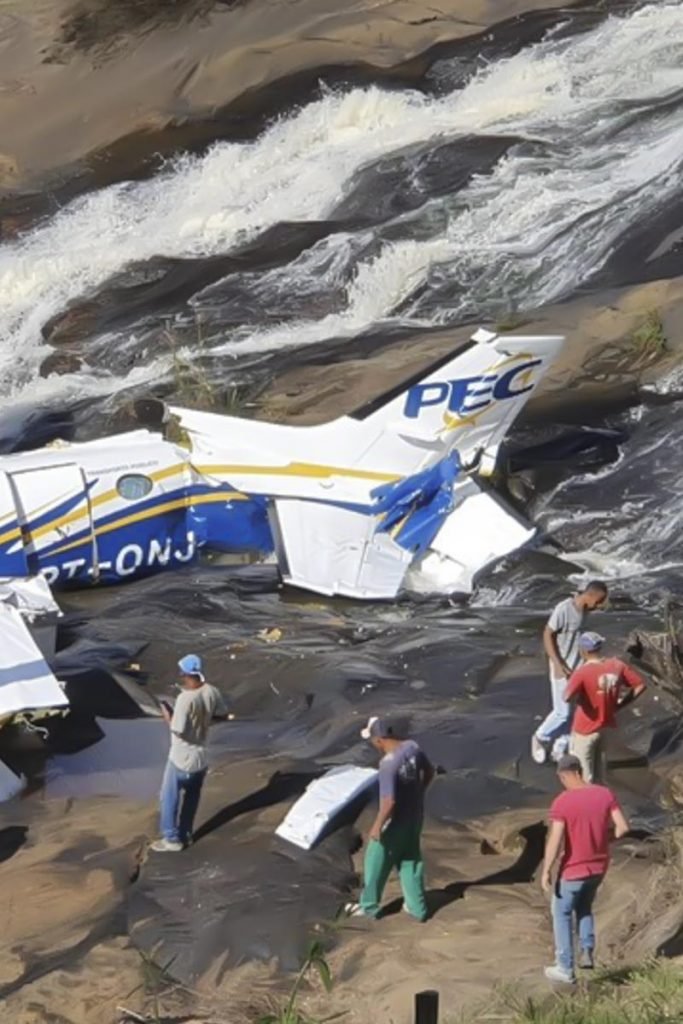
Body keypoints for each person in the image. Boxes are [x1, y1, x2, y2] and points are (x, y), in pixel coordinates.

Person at [541, 754, 630, 984]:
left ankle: (565, 967)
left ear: (564, 775)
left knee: (560, 913)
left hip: (574, 868)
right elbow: (622, 827)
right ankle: (587, 950)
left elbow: (555, 838)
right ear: (580, 770)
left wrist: (546, 870)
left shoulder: (563, 801)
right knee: (584, 906)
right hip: (599, 866)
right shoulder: (604, 794)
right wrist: (603, 839)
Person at [346, 717, 434, 921]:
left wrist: (377, 826)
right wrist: (419, 792)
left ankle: (368, 907)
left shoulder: (388, 764)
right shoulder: (413, 748)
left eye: (372, 740)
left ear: (379, 740)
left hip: (393, 823)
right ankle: (417, 908)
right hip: (414, 817)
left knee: (375, 862)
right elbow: (429, 771)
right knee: (410, 861)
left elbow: (389, 802)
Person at [151, 654, 230, 853]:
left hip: (180, 757)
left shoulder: (185, 699)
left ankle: (171, 839)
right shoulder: (212, 692)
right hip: (201, 757)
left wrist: (167, 715)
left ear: (186, 674)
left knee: (169, 798)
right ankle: (186, 834)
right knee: (192, 797)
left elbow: (177, 729)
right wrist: (204, 722)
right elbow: (222, 715)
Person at [531, 581, 609, 765]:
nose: (598, 606)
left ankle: (560, 747)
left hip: (579, 667)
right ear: (589, 595)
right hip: (562, 667)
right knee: (562, 712)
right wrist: (558, 664)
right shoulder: (564, 609)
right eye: (598, 601)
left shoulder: (585, 611)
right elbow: (547, 634)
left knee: (575, 710)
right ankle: (540, 737)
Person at [565, 632, 647, 783]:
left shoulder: (582, 672)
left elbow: (567, 697)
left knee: (584, 775)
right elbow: (640, 685)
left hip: (585, 728)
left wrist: (581, 696)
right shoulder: (616, 665)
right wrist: (620, 704)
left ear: (583, 651)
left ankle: (588, 805)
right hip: (605, 726)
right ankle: (600, 801)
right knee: (600, 773)